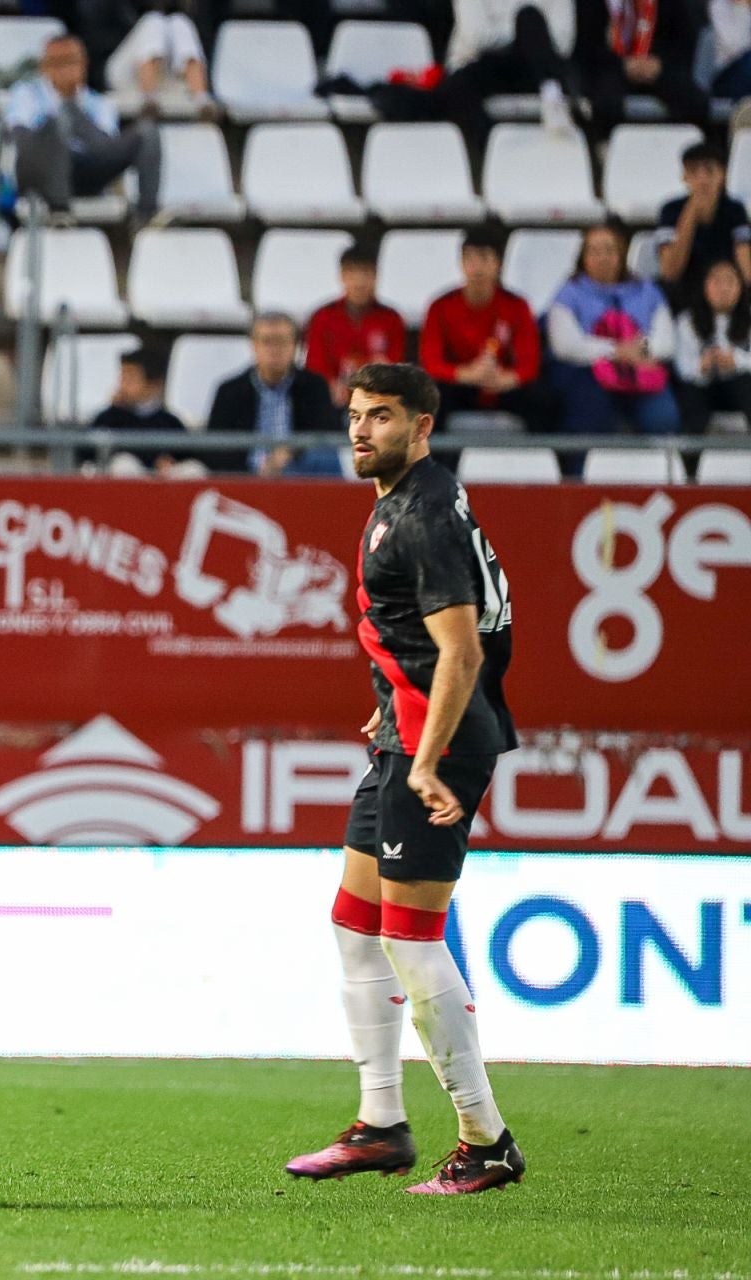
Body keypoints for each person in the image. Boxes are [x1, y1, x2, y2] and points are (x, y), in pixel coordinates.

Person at [285, 361, 523, 1197]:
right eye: (355, 415)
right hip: (407, 736)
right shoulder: (413, 499)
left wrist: (424, 755)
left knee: (409, 941)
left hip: (435, 750)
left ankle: (485, 1140)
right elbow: (439, 639)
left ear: (423, 425)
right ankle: (381, 1122)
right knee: (356, 923)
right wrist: (393, 706)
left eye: (380, 417)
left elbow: (462, 649)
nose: (360, 430)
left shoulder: (420, 516)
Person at [5, 34, 159, 220]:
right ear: (44, 67)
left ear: (84, 64)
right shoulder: (26, 94)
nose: (67, 69)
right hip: (40, 175)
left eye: (72, 61)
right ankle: (58, 213)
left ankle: (146, 218)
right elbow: (21, 140)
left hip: (85, 170)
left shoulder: (99, 103)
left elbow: (103, 148)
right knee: (56, 124)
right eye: (58, 62)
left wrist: (72, 107)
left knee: (147, 132)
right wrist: (61, 115)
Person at [547, 222, 680, 435]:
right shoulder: (569, 294)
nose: (603, 258)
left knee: (663, 418)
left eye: (609, 250)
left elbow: (666, 341)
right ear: (583, 257)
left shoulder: (647, 291)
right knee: (590, 414)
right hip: (590, 375)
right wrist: (614, 351)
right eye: (595, 251)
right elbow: (565, 344)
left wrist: (641, 351)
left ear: (621, 254)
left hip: (642, 370)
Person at [418, 228, 555, 432]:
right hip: (460, 385)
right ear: (461, 264)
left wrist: (507, 378)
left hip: (503, 385)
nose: (477, 268)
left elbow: (530, 363)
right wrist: (466, 374)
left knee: (543, 399)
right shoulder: (441, 307)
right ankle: (433, 462)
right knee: (429, 397)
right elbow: (431, 362)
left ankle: (544, 461)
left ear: (498, 264)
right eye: (470, 260)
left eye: (484, 259)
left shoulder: (516, 306)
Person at [207, 312, 339, 476]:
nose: (275, 350)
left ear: (295, 346)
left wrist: (291, 453)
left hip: (301, 479)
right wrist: (256, 470)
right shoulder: (229, 391)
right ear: (254, 345)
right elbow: (213, 449)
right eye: (267, 342)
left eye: (282, 342)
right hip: (244, 481)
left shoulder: (314, 387)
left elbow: (325, 437)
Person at [436, 0, 577, 148]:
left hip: (534, 67)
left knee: (529, 16)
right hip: (481, 61)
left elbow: (563, 43)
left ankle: (553, 100)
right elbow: (476, 37)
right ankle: (488, 152)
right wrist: (527, 34)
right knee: (458, 88)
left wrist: (526, 31)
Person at [574, 0, 706, 145]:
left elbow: (684, 42)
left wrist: (659, 63)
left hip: (656, 69)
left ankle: (688, 152)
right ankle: (605, 154)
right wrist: (621, 64)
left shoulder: (669, 4)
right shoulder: (590, 4)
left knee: (694, 99)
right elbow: (585, 48)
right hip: (610, 69)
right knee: (604, 100)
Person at [305, 246, 408, 411]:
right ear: (342, 276)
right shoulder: (323, 317)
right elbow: (315, 366)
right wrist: (331, 386)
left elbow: (397, 366)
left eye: (366, 274)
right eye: (352, 274)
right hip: (333, 400)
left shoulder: (391, 319)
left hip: (378, 399)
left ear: (376, 277)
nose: (359, 282)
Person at [655, 142, 751, 315]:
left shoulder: (735, 210)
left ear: (723, 175)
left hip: (727, 290)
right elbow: (670, 272)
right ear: (684, 176)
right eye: (693, 171)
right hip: (687, 290)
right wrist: (690, 214)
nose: (702, 179)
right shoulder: (670, 211)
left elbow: (746, 270)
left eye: (709, 170)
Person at [89, 344, 198, 477]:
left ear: (153, 384)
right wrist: (115, 410)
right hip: (121, 484)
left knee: (192, 470)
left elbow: (187, 454)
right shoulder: (108, 418)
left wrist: (169, 462)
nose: (122, 385)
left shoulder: (170, 422)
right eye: (122, 377)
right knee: (123, 464)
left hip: (163, 486)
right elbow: (88, 452)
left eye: (130, 379)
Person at [674, 258, 751, 430]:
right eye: (716, 281)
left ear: (740, 287)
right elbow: (681, 367)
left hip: (739, 386)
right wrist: (702, 366)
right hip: (704, 386)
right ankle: (690, 455)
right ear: (704, 286)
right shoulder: (687, 321)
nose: (723, 288)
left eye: (730, 281)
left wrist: (736, 361)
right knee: (690, 394)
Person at [104, 1, 214, 117]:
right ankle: (149, 99)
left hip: (167, 78)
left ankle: (202, 100)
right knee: (153, 21)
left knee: (180, 21)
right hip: (125, 73)